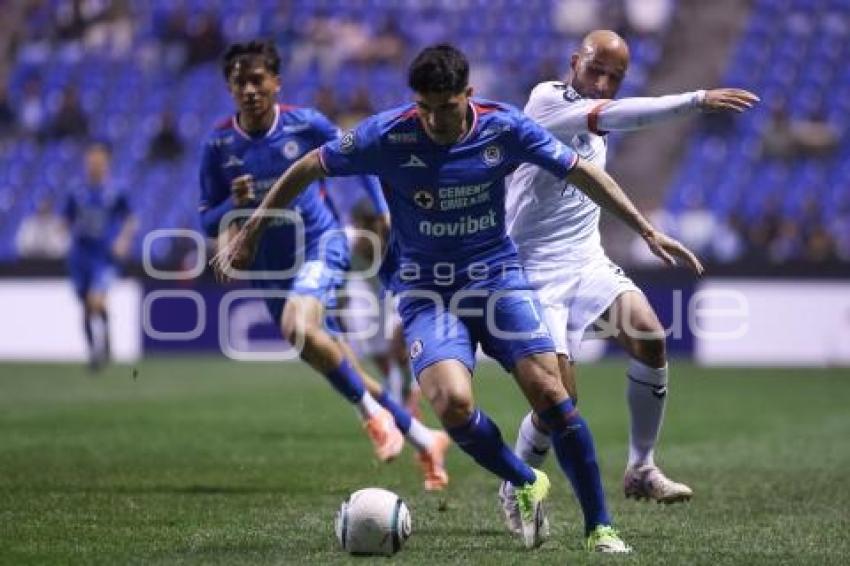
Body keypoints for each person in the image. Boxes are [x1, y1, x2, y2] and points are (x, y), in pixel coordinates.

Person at [212, 43, 703, 553]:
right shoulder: (388, 133)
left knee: (554, 396)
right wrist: (250, 232)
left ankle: (600, 527)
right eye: (424, 107)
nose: (434, 119)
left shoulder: (502, 126)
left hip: (496, 277)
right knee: (452, 405)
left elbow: (579, 170)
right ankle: (526, 480)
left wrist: (646, 230)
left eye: (445, 107)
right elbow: (310, 167)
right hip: (426, 292)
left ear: (467, 95)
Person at [500, 29, 757, 523]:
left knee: (651, 337)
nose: (602, 83)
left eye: (614, 78)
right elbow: (620, 115)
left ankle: (641, 467)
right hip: (533, 272)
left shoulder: (595, 118)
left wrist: (645, 230)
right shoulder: (548, 100)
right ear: (575, 61)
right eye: (595, 69)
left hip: (585, 260)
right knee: (560, 402)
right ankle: (517, 487)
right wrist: (696, 99)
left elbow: (597, 178)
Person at [199, 41, 449, 491]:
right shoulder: (218, 144)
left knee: (301, 326)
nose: (250, 90)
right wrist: (227, 208)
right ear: (229, 88)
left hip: (319, 243)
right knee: (338, 361)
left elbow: (363, 159)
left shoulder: (305, 124)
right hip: (269, 269)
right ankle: (425, 439)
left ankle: (372, 419)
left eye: (258, 80)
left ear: (276, 82)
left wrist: (384, 212)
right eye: (240, 83)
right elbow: (205, 220)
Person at [63, 141, 137, 370]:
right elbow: (66, 218)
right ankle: (96, 350)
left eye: (98, 161)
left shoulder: (116, 191)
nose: (94, 165)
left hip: (104, 256)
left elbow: (131, 219)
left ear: (106, 164)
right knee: (86, 307)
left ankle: (102, 348)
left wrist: (123, 241)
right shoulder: (76, 190)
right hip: (79, 256)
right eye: (91, 160)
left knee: (96, 301)